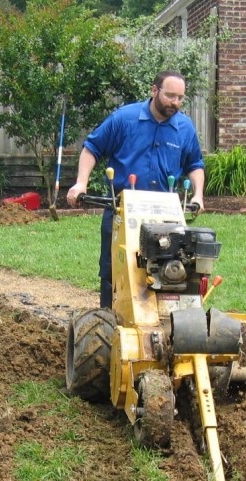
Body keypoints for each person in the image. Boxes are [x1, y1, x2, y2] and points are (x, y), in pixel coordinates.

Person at [67, 71, 205, 308]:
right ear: (154, 91)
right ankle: (110, 320)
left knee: (171, 270)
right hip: (122, 211)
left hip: (165, 214)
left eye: (181, 98)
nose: (176, 103)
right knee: (113, 271)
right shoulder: (124, 119)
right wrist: (81, 183)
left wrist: (198, 195)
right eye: (170, 96)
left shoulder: (185, 128)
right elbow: (92, 148)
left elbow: (195, 165)